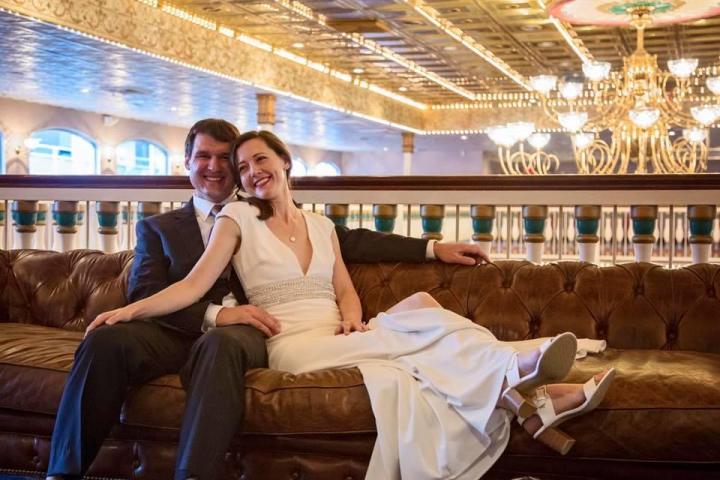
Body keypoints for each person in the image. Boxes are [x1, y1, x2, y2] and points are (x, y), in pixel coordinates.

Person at [86, 130, 615, 479]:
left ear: (285, 163)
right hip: (290, 342)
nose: (249, 173)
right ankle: (520, 375)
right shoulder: (236, 219)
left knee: (422, 305)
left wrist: (356, 316)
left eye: (258, 160)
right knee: (414, 348)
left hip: (336, 331)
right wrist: (129, 310)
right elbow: (193, 285)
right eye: (242, 167)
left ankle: (527, 398)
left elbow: (343, 285)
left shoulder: (321, 225)